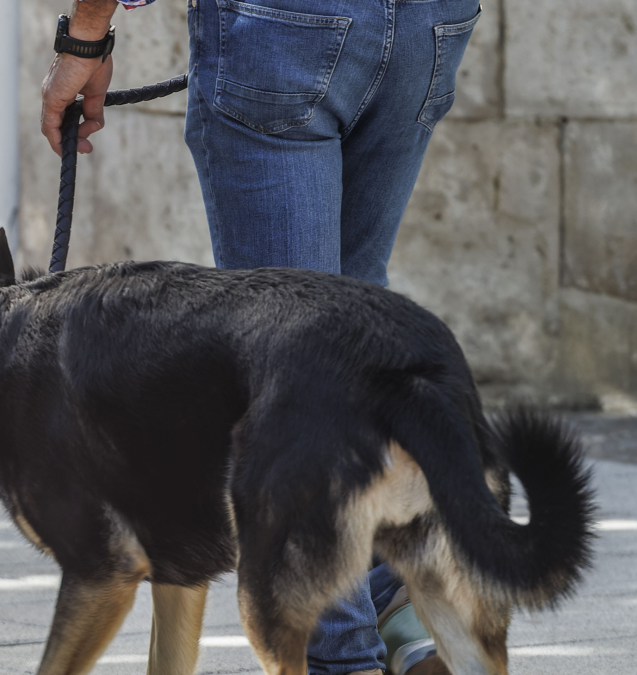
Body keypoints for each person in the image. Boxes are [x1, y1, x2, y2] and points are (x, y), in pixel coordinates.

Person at [41, 0, 482, 673]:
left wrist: (86, 32)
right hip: (430, 24)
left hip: (287, 26)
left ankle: (346, 657)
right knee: (353, 311)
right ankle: (402, 610)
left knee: (298, 366)